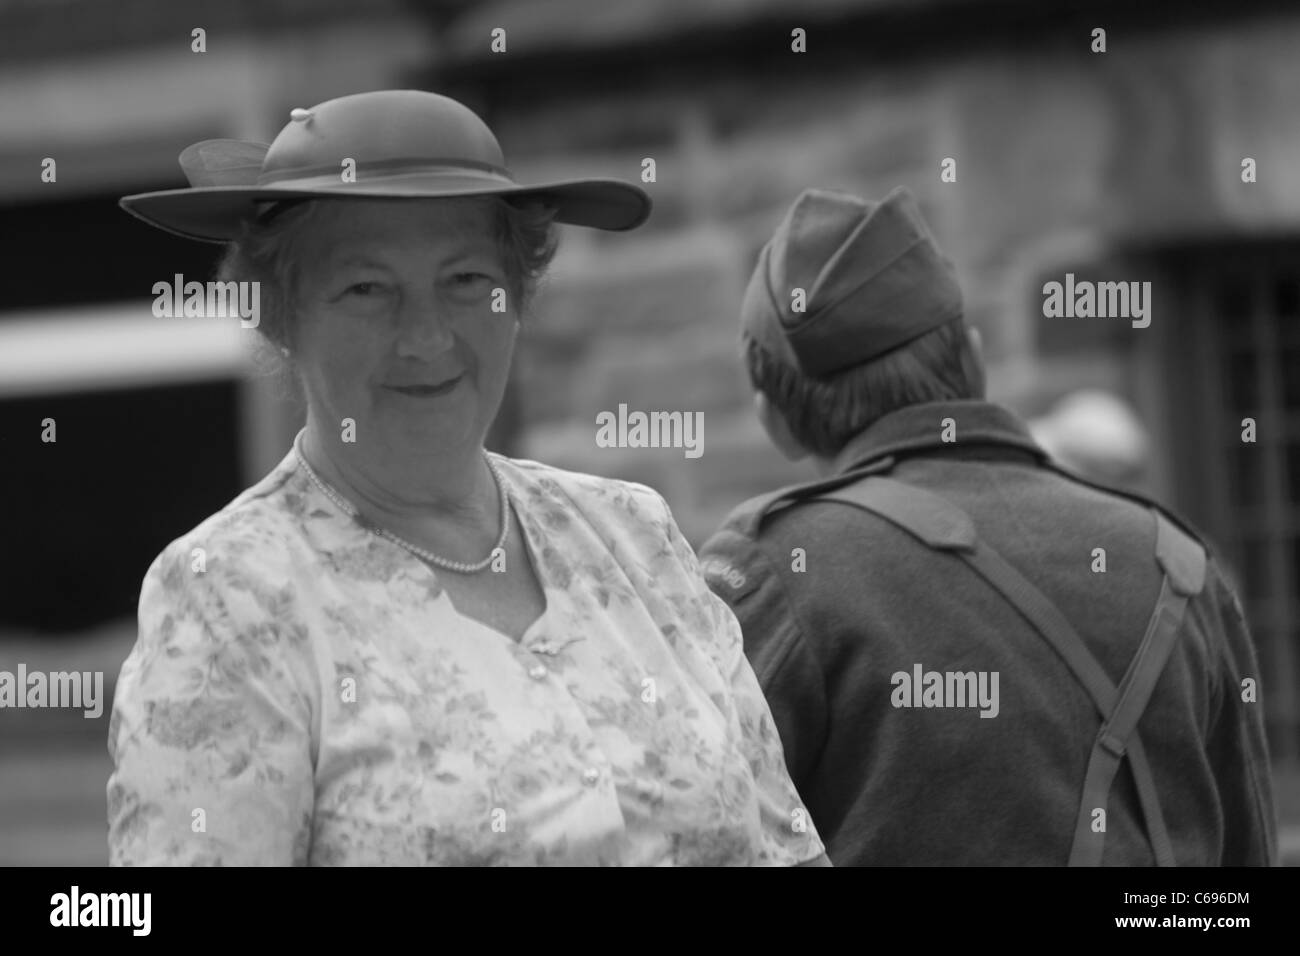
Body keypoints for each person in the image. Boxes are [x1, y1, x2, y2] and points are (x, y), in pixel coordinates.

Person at [107, 90, 828, 867]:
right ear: (279, 315)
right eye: (366, 288)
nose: (425, 335)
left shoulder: (633, 534)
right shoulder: (228, 596)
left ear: (517, 296)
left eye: (465, 280)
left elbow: (786, 848)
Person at [698, 185, 1278, 866]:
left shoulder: (773, 571)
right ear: (973, 358)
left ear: (774, 418)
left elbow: (701, 835)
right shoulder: (1179, 561)